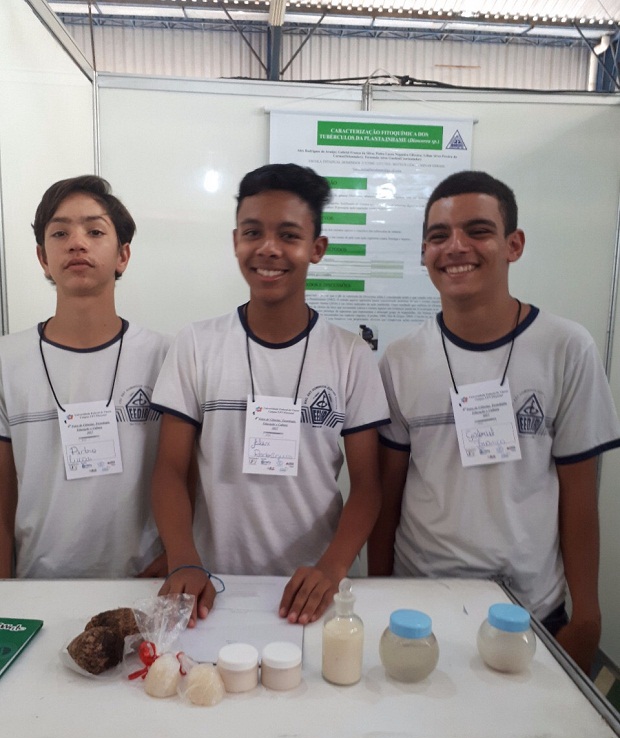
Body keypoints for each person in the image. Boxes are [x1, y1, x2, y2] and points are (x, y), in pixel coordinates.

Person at [368, 170, 620, 674]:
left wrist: (587, 615)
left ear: (514, 244)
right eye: (438, 236)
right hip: (422, 609)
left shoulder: (567, 348)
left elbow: (579, 497)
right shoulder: (400, 360)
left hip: (530, 612)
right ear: (423, 254)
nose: (455, 246)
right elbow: (386, 496)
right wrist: (380, 593)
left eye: (477, 230)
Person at [152, 163, 389, 626]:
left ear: (316, 248)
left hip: (314, 591)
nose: (268, 249)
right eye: (252, 232)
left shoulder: (350, 354)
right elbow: (168, 469)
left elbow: (368, 486)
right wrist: (182, 557)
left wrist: (332, 566)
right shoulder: (196, 344)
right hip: (211, 587)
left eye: (288, 235)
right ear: (235, 240)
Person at [0, 175, 170, 579]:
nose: (77, 242)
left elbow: (188, 479)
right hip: (39, 584)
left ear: (122, 255)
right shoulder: (6, 360)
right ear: (43, 257)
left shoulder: (166, 357)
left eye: (95, 231)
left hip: (145, 585)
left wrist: (174, 560)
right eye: (60, 232)